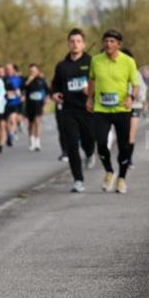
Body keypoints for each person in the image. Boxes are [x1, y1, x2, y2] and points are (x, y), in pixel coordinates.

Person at [88, 29, 140, 194]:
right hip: (101, 109)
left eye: (112, 41)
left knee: (124, 146)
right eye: (106, 41)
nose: (108, 44)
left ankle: (122, 178)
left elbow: (136, 84)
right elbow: (92, 79)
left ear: (119, 45)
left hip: (121, 109)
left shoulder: (128, 61)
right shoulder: (96, 60)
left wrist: (131, 96)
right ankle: (109, 171)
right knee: (101, 143)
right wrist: (89, 98)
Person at [51, 28, 97, 192]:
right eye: (72, 41)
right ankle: (78, 180)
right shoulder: (62, 66)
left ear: (83, 44)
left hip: (88, 109)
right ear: (68, 44)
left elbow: (101, 83)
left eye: (78, 41)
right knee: (71, 145)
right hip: (69, 110)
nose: (75, 44)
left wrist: (91, 90)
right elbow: (55, 85)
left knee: (89, 140)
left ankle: (90, 153)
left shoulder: (92, 63)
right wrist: (55, 94)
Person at [24, 63, 49, 151]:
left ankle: (37, 142)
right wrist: (29, 79)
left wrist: (46, 100)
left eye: (34, 70)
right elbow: (22, 88)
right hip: (29, 105)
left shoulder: (41, 80)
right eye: (31, 71)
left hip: (39, 104)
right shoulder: (26, 79)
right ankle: (31, 140)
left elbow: (47, 91)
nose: (33, 72)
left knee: (37, 122)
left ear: (38, 71)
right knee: (31, 124)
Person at [3, 63, 24, 147]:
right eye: (7, 68)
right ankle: (9, 134)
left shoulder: (18, 79)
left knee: (13, 119)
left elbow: (23, 89)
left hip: (16, 102)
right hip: (6, 102)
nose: (8, 70)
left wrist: (22, 95)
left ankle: (11, 134)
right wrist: (7, 93)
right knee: (7, 121)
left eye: (10, 68)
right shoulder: (3, 79)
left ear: (13, 69)